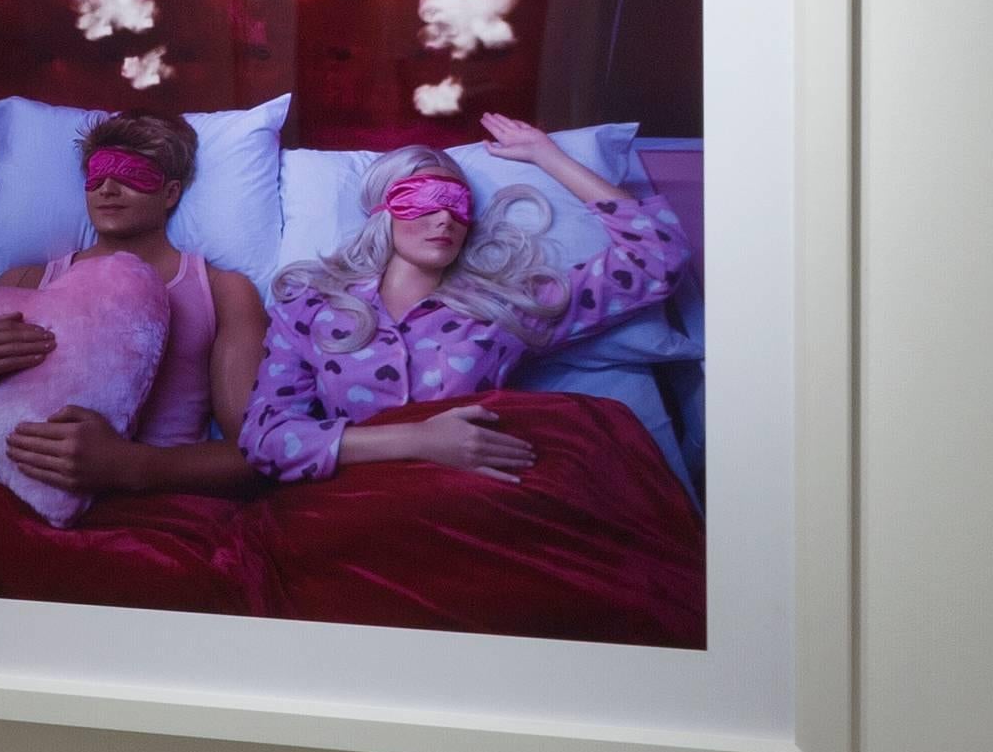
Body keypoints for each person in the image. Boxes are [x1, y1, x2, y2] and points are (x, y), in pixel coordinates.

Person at [241, 114, 686, 485]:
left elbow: (657, 257)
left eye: (458, 205)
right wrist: (417, 440)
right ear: (383, 210)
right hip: (350, 509)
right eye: (424, 200)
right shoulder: (310, 307)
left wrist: (548, 157)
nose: (444, 218)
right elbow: (265, 437)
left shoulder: (507, 305)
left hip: (471, 505)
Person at [0, 112, 270, 503]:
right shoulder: (24, 284)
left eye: (131, 174)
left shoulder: (221, 291)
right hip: (4, 497)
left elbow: (255, 452)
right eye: (97, 175)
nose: (108, 188)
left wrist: (131, 465)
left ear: (170, 193)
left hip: (148, 511)